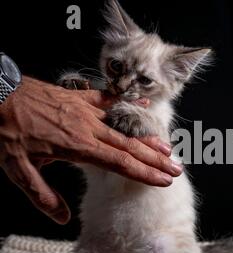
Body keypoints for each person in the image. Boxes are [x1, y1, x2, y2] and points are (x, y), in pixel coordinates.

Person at [0, 76, 183, 225]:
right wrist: (7, 95)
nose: (122, 84)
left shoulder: (162, 111)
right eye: (117, 67)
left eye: (144, 79)